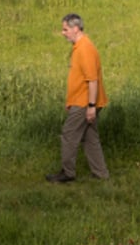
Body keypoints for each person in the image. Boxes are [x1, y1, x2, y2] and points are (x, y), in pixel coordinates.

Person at [46, 13, 109, 183]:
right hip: (82, 101)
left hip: (84, 102)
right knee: (89, 137)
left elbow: (92, 80)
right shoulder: (80, 47)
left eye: (65, 29)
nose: (63, 33)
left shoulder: (85, 49)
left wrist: (90, 106)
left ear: (76, 28)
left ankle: (68, 173)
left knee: (68, 135)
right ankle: (101, 173)